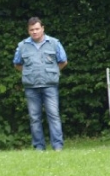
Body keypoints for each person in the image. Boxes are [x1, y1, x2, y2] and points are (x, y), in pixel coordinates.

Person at [13, 17, 68, 151]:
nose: (35, 32)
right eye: (32, 30)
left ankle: (57, 146)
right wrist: (29, 73)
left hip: (50, 86)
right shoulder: (22, 46)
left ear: (42, 28)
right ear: (28, 31)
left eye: (37, 29)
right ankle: (39, 147)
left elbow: (63, 61)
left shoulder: (54, 43)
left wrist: (52, 72)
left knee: (54, 115)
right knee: (34, 118)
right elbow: (17, 64)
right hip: (31, 87)